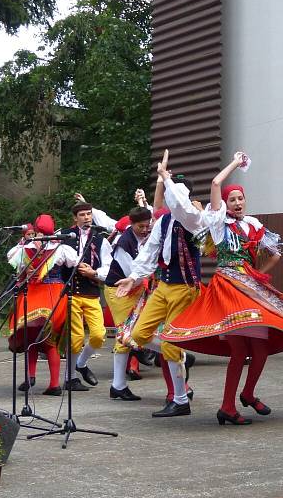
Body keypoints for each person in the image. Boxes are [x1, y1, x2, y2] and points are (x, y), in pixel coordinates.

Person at [161, 153, 283, 425]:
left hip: (250, 288)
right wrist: (236, 163)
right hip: (229, 289)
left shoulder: (254, 224)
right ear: (224, 203)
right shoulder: (218, 222)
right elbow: (215, 182)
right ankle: (227, 406)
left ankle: (246, 394)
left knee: (259, 349)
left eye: (240, 198)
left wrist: (258, 274)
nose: (236, 203)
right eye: (231, 199)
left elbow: (275, 255)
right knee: (239, 350)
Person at [115, 153, 203, 418]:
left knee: (169, 345)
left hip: (185, 288)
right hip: (163, 287)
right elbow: (150, 252)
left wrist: (166, 177)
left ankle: (180, 399)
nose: (168, 196)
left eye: (173, 191)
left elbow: (181, 206)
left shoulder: (193, 218)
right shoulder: (163, 221)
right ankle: (178, 351)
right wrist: (134, 277)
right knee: (137, 336)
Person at [7, 214, 79, 396]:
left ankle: (32, 376)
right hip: (54, 293)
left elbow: (13, 261)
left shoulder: (24, 248)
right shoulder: (61, 248)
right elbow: (74, 262)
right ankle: (53, 384)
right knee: (47, 339)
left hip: (31, 293)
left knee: (30, 334)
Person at [61, 201, 113, 391]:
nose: (87, 218)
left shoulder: (101, 239)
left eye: (89, 214)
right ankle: (70, 378)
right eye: (82, 215)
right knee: (75, 338)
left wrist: (94, 272)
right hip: (71, 293)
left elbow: (108, 265)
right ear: (75, 218)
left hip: (91, 293)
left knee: (99, 335)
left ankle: (80, 364)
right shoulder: (64, 235)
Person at [104, 206, 153, 401]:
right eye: (141, 226)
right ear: (131, 224)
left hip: (137, 289)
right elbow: (132, 272)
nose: (145, 229)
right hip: (119, 291)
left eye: (147, 225)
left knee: (139, 330)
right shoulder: (123, 243)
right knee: (124, 334)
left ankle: (119, 383)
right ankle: (118, 385)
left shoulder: (148, 237)